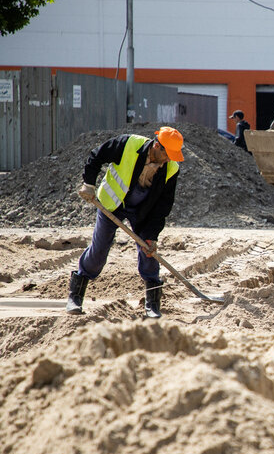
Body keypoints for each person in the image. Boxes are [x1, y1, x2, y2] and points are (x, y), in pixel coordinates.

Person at [65, 126, 185, 318]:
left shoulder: (171, 169)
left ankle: (152, 304)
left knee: (149, 253)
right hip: (112, 203)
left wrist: (152, 236)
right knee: (99, 251)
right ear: (157, 146)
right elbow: (97, 156)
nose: (169, 159)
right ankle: (76, 296)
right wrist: (88, 184)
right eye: (168, 154)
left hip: (143, 211)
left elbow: (163, 206)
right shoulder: (128, 144)